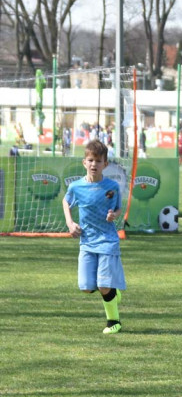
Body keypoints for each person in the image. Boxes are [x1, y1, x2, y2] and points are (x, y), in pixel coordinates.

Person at [62, 140, 124, 335]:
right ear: (84, 162)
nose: (94, 164)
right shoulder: (76, 187)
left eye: (98, 161)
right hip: (87, 242)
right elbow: (66, 201)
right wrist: (70, 224)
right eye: (90, 160)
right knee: (86, 288)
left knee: (103, 285)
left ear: (105, 164)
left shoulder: (112, 186)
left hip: (107, 241)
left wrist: (114, 215)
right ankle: (113, 293)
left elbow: (118, 209)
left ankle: (113, 322)